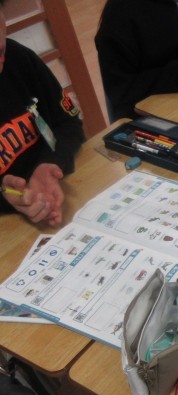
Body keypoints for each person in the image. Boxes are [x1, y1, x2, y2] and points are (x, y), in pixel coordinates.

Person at [0, 0, 84, 226]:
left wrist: (50, 164)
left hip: (59, 202)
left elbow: (68, 123)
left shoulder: (18, 58)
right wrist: (4, 196)